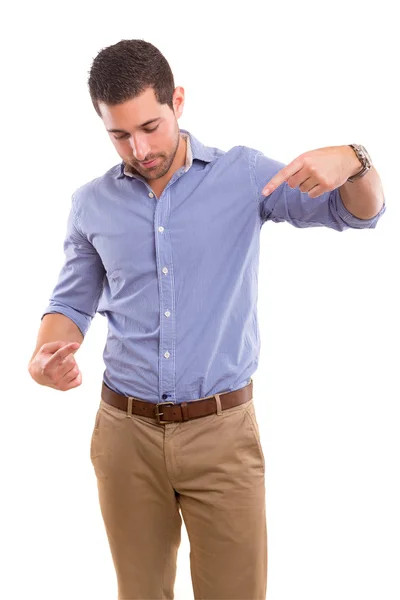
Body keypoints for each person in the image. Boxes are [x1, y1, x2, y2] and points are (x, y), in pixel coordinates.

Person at [28, 39, 386, 600]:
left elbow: (355, 214)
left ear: (178, 101)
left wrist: (356, 159)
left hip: (222, 435)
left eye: (151, 126)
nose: (139, 148)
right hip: (125, 435)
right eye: (120, 134)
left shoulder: (242, 175)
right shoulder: (90, 203)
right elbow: (71, 304)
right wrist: (45, 356)